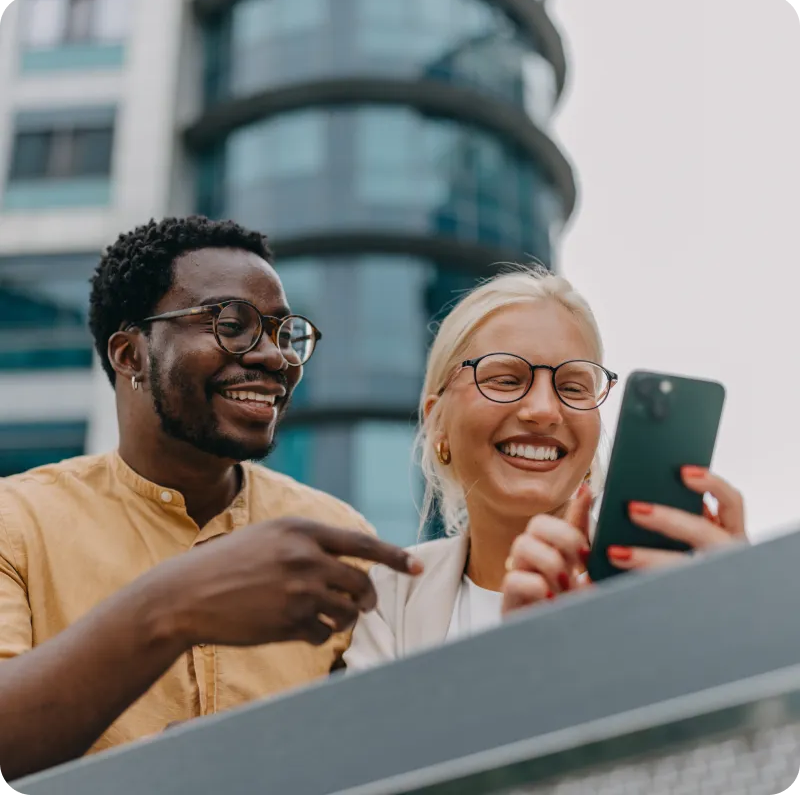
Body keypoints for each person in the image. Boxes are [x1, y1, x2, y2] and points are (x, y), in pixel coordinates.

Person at [0, 216, 421, 781]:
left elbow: (383, 745)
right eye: (231, 323)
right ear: (130, 355)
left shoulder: (330, 531)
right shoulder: (18, 521)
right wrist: (173, 607)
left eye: (282, 331)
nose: (275, 357)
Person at [344, 268, 746, 668]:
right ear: (437, 423)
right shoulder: (390, 596)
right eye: (504, 379)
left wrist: (742, 625)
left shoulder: (676, 580)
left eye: (572, 387)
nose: (543, 411)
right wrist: (531, 656)